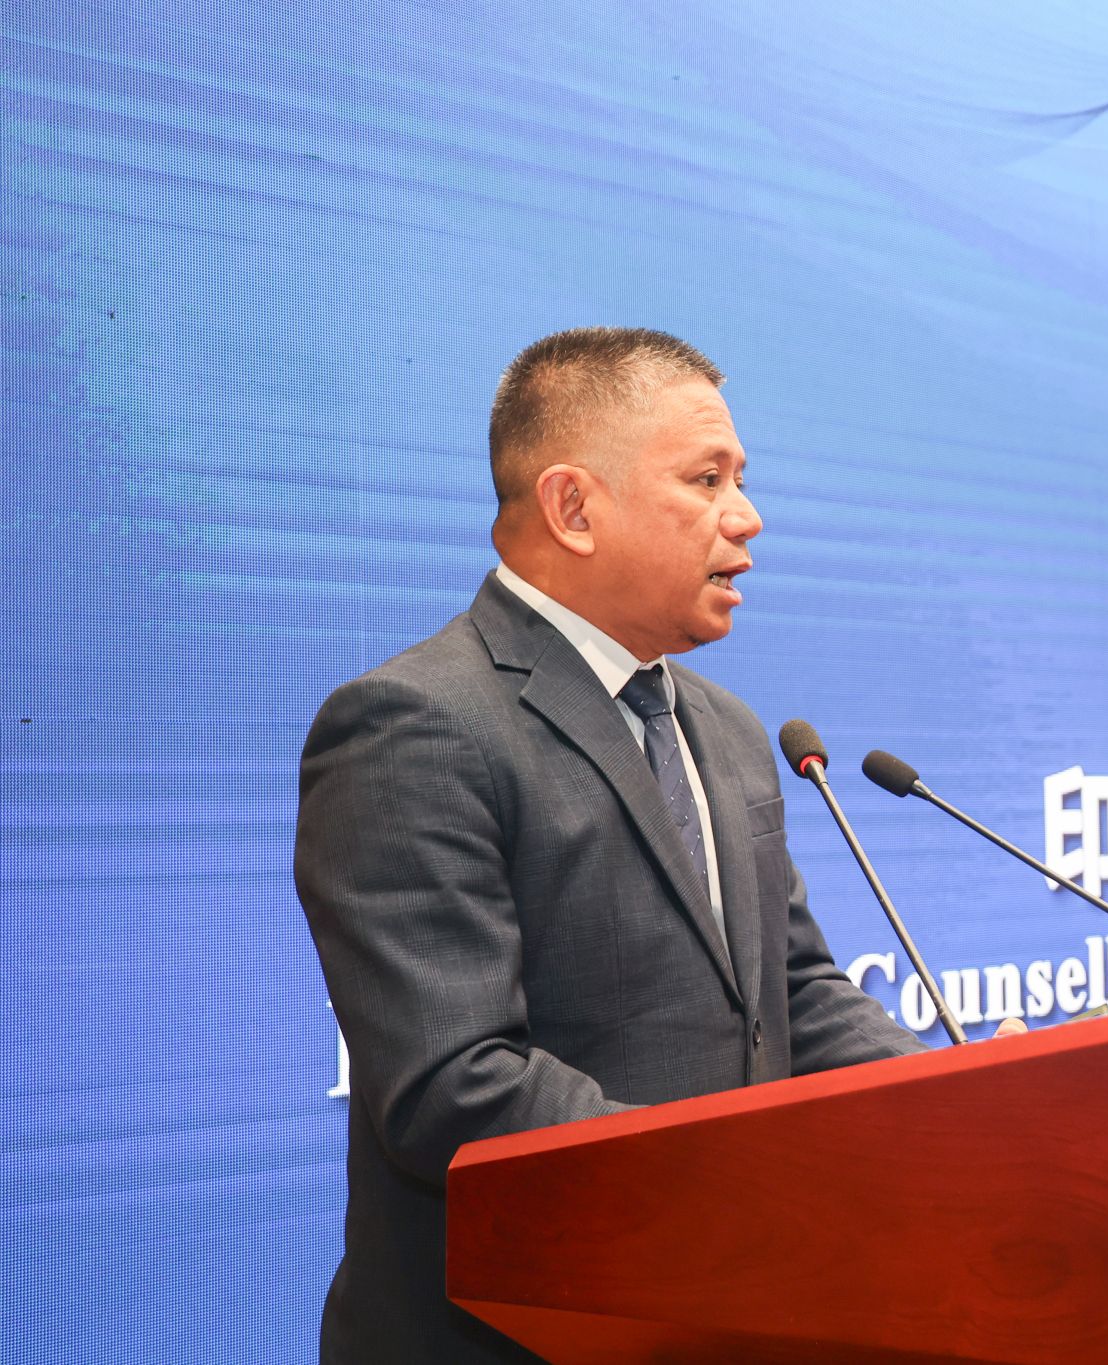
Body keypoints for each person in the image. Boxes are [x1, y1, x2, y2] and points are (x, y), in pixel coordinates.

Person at [295, 326, 929, 1362]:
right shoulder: (415, 725)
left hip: (728, 1314)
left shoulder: (725, 727)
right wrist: (737, 1191)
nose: (746, 515)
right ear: (574, 508)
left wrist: (958, 1112)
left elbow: (794, 993)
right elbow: (453, 1083)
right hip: (525, 1330)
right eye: (707, 478)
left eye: (741, 479)